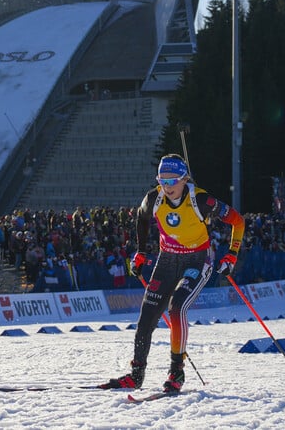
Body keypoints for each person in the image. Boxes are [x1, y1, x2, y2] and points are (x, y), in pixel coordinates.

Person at [101, 154, 244, 393]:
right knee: (147, 314)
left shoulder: (201, 200)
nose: (167, 187)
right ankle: (136, 375)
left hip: (198, 259)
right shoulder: (153, 198)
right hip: (167, 260)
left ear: (184, 179)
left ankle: (176, 372)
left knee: (177, 307)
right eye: (162, 181)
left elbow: (237, 221)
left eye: (172, 181)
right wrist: (142, 252)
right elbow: (142, 218)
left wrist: (231, 255)